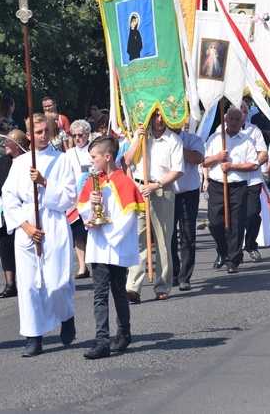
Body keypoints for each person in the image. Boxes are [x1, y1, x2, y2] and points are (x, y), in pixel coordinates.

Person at [1, 113, 77, 357]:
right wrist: (25, 226)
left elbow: (69, 196)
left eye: (47, 131)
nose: (44, 136)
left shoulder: (62, 159)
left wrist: (44, 182)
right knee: (29, 286)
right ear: (29, 136)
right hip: (28, 225)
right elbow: (9, 197)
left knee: (56, 281)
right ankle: (33, 336)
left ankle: (66, 315)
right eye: (39, 132)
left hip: (53, 221)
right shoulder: (20, 163)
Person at [77, 136, 143, 359]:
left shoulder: (124, 182)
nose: (92, 161)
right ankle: (101, 340)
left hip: (115, 246)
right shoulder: (93, 181)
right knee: (99, 294)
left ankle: (124, 333)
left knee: (118, 291)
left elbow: (127, 218)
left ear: (107, 157)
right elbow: (83, 209)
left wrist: (105, 230)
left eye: (94, 157)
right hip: (98, 246)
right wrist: (91, 210)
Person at [123, 110, 185, 302]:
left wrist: (156, 185)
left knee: (163, 239)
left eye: (162, 116)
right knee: (138, 238)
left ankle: (162, 285)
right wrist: (139, 138)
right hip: (139, 188)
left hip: (161, 189)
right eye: (155, 116)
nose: (158, 120)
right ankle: (133, 286)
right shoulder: (142, 136)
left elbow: (178, 171)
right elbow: (127, 160)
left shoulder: (174, 141)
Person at [203, 107, 259, 273]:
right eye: (231, 119)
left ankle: (233, 259)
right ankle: (222, 249)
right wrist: (217, 158)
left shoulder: (247, 141)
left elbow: (254, 164)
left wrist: (232, 166)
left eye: (237, 119)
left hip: (237, 185)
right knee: (215, 222)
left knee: (236, 224)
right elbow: (204, 162)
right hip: (217, 184)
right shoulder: (214, 139)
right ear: (225, 120)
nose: (234, 122)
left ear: (242, 121)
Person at [0, 129, 29, 299]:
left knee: (25, 246)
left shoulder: (28, 161)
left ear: (18, 144)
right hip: (5, 210)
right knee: (5, 246)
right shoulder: (1, 162)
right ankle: (10, 284)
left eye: (8, 142)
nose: (5, 144)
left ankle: (28, 282)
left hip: (24, 210)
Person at [169, 123, 204, 291]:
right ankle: (174, 273)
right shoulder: (160, 141)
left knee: (187, 234)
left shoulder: (192, 139)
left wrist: (177, 147)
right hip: (168, 193)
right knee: (168, 236)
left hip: (188, 192)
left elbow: (198, 158)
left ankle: (185, 276)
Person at [240, 101, 268, 262]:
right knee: (230, 216)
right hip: (232, 180)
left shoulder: (254, 130)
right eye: (239, 111)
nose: (242, 115)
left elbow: (263, 154)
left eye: (245, 112)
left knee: (252, 213)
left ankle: (250, 244)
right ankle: (230, 250)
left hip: (252, 179)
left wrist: (252, 165)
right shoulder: (222, 130)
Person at [65, 119, 93, 278]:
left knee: (92, 232)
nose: (77, 138)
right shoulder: (69, 154)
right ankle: (82, 266)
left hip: (92, 197)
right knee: (78, 233)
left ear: (87, 134)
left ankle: (96, 263)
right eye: (74, 135)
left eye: (80, 135)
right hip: (75, 198)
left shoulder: (95, 149)